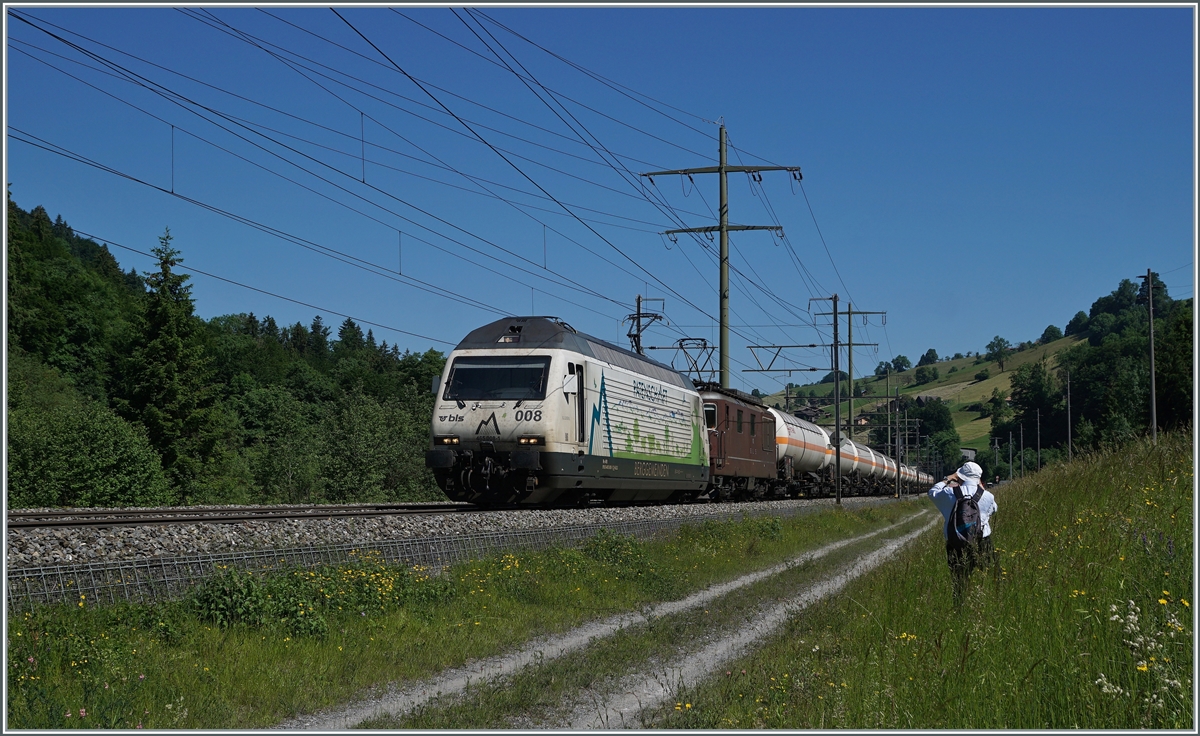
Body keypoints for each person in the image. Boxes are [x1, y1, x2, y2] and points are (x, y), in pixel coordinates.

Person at [928, 461, 997, 606]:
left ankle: (960, 607)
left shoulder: (948, 493)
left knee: (959, 581)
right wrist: (980, 487)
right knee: (989, 576)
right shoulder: (988, 496)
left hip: (956, 542)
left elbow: (932, 492)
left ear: (959, 477)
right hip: (982, 541)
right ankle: (987, 605)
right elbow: (994, 509)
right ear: (979, 478)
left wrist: (949, 478)